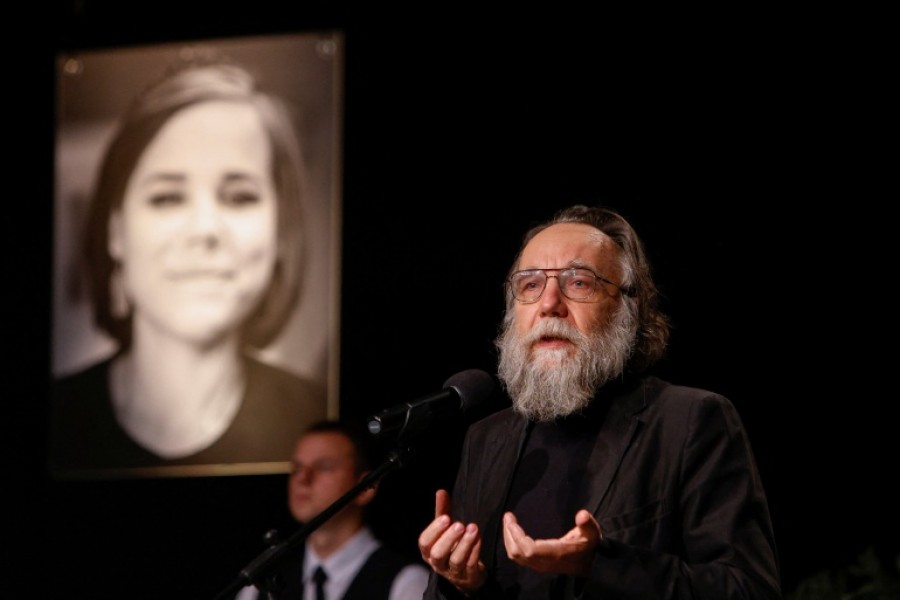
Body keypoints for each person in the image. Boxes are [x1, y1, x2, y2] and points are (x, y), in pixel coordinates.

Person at [417, 204, 782, 599]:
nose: (549, 304)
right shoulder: (486, 439)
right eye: (530, 285)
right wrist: (460, 584)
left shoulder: (691, 421)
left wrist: (600, 564)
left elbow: (749, 589)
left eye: (579, 283)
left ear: (628, 306)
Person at [48, 56, 327, 477]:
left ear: (281, 234)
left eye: (239, 197)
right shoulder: (55, 419)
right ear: (116, 231)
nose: (204, 229)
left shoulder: (322, 417)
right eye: (167, 198)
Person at [235, 419, 431, 599]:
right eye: (297, 468)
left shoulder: (406, 584)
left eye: (324, 467)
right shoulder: (258, 588)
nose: (303, 479)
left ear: (365, 488)